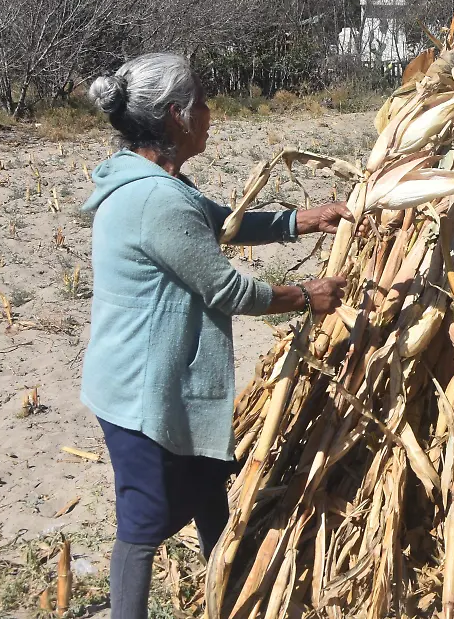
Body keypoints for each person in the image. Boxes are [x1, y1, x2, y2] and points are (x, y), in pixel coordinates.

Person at [81, 52, 352, 618]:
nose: (210, 112)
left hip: (162, 381)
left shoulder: (153, 180)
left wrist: (299, 219)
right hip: (139, 391)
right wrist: (305, 295)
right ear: (176, 115)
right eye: (201, 102)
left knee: (208, 491)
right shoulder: (155, 199)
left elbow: (218, 221)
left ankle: (225, 598)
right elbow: (226, 290)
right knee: (142, 521)